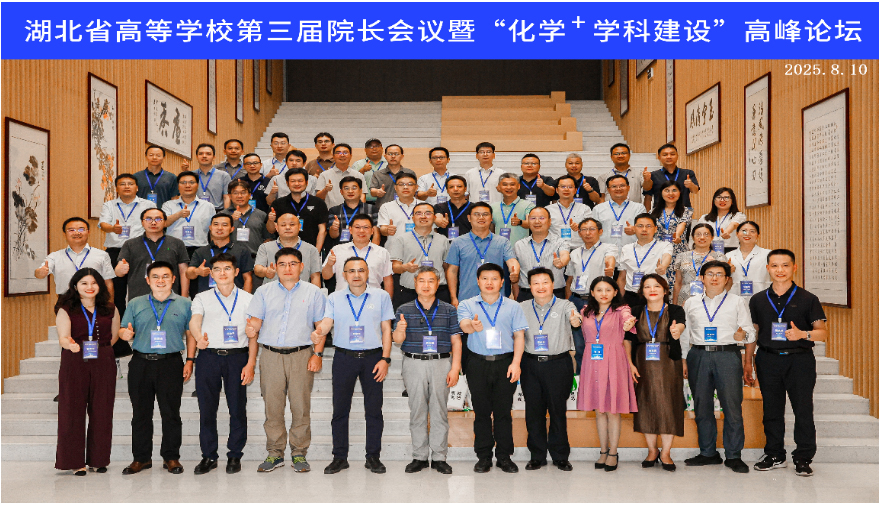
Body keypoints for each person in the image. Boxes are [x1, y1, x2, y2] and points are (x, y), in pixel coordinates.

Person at [245, 247, 328, 473]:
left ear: (302, 267)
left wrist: (317, 354)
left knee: (300, 406)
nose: (287, 268)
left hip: (301, 355)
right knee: (273, 406)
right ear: (275, 267)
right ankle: (275, 453)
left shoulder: (314, 293)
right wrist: (251, 329)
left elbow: (320, 327)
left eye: (293, 264)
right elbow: (255, 322)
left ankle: (299, 453)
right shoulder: (263, 292)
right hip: (271, 355)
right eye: (282, 264)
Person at [311, 256, 394, 475]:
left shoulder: (382, 296)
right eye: (351, 271)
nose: (356, 275)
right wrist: (319, 332)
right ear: (344, 275)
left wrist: (385, 359)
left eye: (361, 270)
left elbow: (386, 329)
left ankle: (373, 457)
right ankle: (339, 457)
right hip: (344, 358)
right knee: (340, 410)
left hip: (373, 358)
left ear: (368, 273)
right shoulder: (334, 298)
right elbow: (327, 323)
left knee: (374, 410)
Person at [749, 249, 827, 477]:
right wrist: (747, 361)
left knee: (803, 410)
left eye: (785, 265)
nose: (780, 270)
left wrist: (803, 334)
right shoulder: (757, 300)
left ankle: (803, 457)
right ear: (768, 269)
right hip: (767, 359)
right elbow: (754, 332)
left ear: (794, 268)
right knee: (771, 410)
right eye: (774, 266)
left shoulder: (808, 298)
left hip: (799, 360)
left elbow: (823, 333)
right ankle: (775, 454)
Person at [118, 260, 193, 475]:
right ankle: (141, 459)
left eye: (165, 276)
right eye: (155, 277)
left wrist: (190, 360)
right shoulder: (135, 303)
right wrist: (125, 334)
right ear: (147, 280)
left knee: (171, 413)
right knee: (140, 413)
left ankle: (171, 457)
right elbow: (122, 329)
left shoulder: (185, 304)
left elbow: (191, 334)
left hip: (171, 363)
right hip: (141, 363)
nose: (161, 281)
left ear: (173, 279)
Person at [682, 260, 755, 474]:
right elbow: (685, 335)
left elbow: (750, 331)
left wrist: (743, 336)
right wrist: (684, 360)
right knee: (702, 406)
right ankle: (708, 453)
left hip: (727, 355)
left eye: (720, 274)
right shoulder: (691, 302)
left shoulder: (737, 301)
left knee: (732, 406)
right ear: (701, 278)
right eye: (710, 274)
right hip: (698, 355)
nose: (714, 278)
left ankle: (734, 455)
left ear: (727, 279)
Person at [187, 253, 257, 475]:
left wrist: (251, 363)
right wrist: (199, 337)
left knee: (237, 408)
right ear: (211, 273)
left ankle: (235, 455)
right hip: (209, 357)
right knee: (207, 409)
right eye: (217, 269)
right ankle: (209, 456)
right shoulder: (202, 297)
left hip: (238, 358)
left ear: (236, 272)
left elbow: (253, 335)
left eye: (227, 268)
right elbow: (194, 321)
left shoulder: (249, 299)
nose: (222, 273)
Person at [457, 263, 529, 473]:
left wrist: (516, 363)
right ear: (478, 281)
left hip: (505, 363)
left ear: (502, 282)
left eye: (494, 278)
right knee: (481, 412)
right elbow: (464, 325)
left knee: (503, 412)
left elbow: (519, 336)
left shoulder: (513, 306)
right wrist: (472, 326)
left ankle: (504, 457)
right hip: (477, 363)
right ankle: (484, 456)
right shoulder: (467, 304)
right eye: (485, 278)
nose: (489, 283)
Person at [392, 267, 462, 474]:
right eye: (421, 281)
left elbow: (456, 341)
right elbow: (397, 340)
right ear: (415, 284)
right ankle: (419, 456)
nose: (426, 285)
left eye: (431, 281)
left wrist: (455, 368)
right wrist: (400, 330)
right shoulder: (404, 309)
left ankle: (439, 457)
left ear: (437, 284)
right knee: (417, 411)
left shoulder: (448, 310)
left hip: (441, 362)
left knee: (439, 410)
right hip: (413, 363)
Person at [54, 268, 119, 475]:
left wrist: (101, 350)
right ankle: (74, 461)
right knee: (72, 410)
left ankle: (99, 459)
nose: (89, 287)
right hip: (75, 360)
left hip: (104, 361)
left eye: (94, 283)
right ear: (75, 286)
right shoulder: (66, 308)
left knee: (103, 409)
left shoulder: (110, 308)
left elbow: (114, 337)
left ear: (100, 286)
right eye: (84, 283)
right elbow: (63, 336)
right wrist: (70, 344)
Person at [519, 267, 581, 471]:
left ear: (553, 284)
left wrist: (575, 320)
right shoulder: (521, 307)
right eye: (536, 283)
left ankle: (560, 456)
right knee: (533, 411)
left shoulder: (565, 305)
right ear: (529, 286)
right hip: (530, 364)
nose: (541, 287)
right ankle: (537, 455)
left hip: (558, 364)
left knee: (557, 411)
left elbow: (575, 318)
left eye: (545, 282)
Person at [625, 274, 686, 471]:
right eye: (647, 286)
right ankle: (652, 450)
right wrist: (629, 364)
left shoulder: (675, 310)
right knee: (645, 403)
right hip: (642, 362)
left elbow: (680, 325)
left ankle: (666, 452)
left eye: (656, 286)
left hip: (669, 362)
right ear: (641, 291)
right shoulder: (635, 311)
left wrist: (677, 331)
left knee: (669, 404)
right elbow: (627, 339)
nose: (652, 290)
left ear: (665, 290)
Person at [577, 276, 638, 472]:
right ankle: (603, 450)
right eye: (599, 290)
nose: (604, 294)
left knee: (612, 410)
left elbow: (628, 319)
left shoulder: (621, 310)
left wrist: (629, 323)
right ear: (592, 293)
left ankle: (613, 452)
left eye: (608, 290)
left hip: (614, 361)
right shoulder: (585, 312)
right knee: (599, 410)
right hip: (592, 361)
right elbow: (579, 326)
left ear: (615, 292)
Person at [99, 174, 157, 315]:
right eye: (122, 184)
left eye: (130, 184)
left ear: (137, 188)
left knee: (142, 287)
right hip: (115, 251)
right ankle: (120, 322)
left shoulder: (148, 205)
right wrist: (112, 228)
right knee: (117, 290)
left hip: (141, 250)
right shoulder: (109, 205)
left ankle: (142, 318)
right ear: (116, 188)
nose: (126, 186)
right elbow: (103, 224)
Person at [565, 218, 617, 371]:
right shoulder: (575, 253)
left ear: (600, 231)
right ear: (579, 232)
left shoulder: (608, 248)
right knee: (579, 344)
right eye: (584, 229)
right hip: (576, 300)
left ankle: (601, 375)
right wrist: (569, 301)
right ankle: (583, 376)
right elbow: (570, 279)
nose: (588, 233)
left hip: (598, 302)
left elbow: (610, 259)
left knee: (599, 342)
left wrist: (610, 267)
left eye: (592, 229)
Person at [445, 202, 520, 307]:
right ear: (469, 218)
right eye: (476, 214)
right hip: (467, 300)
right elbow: (452, 271)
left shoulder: (502, 242)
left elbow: (512, 261)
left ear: (491, 218)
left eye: (485, 214)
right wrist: (453, 298)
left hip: (496, 300)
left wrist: (515, 272)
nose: (481, 217)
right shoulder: (458, 242)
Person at [115, 209, 190, 300]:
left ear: (165, 222)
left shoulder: (177, 243)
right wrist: (120, 270)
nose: (153, 223)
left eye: (158, 219)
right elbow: (118, 272)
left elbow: (184, 271)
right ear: (142, 222)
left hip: (170, 298)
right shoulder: (130, 244)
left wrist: (184, 297)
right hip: (138, 298)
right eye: (148, 219)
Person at [388, 203, 452, 307]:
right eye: (418, 213)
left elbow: (447, 268)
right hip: (410, 293)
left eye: (428, 213)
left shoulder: (443, 240)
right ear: (413, 218)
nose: (423, 216)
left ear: (434, 217)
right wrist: (405, 267)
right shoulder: (401, 240)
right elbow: (395, 268)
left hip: (439, 292)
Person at [36, 217, 115, 301]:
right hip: (66, 302)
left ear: (88, 232)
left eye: (81, 229)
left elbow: (108, 282)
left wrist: (110, 305)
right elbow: (39, 273)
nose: (77, 233)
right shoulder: (55, 256)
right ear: (64, 234)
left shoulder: (102, 255)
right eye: (71, 230)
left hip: (95, 301)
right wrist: (40, 272)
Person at [323, 214, 394, 298]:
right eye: (357, 227)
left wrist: (388, 302)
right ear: (350, 230)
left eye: (366, 227)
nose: (361, 231)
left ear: (372, 231)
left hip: (373, 300)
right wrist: (329, 264)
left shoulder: (382, 252)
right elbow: (325, 276)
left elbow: (388, 280)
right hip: (344, 300)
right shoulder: (337, 250)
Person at [186, 214, 254, 296]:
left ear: (232, 229)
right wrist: (197, 271)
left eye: (224, 225)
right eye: (216, 224)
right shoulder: (200, 251)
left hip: (233, 297)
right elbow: (189, 274)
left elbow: (247, 278)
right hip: (207, 298)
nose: (219, 228)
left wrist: (245, 299)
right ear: (210, 227)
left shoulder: (242, 251)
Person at [616, 213, 673, 307]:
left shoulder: (664, 245)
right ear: (634, 228)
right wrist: (619, 301)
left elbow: (667, 257)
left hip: (655, 295)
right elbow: (622, 277)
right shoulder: (626, 248)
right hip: (631, 296)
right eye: (640, 226)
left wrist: (663, 266)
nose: (644, 229)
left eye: (648, 226)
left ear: (655, 229)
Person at [513, 207, 570, 301]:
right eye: (533, 218)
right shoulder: (519, 245)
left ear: (549, 221)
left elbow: (565, 255)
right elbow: (515, 274)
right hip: (527, 294)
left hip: (555, 294)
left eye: (542, 218)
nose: (537, 221)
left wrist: (562, 262)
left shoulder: (560, 242)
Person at [254, 213, 322, 287]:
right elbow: (257, 269)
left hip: (302, 293)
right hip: (272, 292)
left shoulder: (311, 249)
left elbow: (315, 276)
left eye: (292, 224)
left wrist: (316, 293)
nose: (288, 227)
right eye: (283, 225)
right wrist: (265, 271)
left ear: (299, 226)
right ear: (276, 227)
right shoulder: (265, 247)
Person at [270, 168, 329, 250]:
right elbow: (271, 230)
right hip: (284, 251)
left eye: (300, 181)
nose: (297, 184)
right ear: (287, 183)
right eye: (293, 181)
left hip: (310, 250)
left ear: (307, 182)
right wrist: (271, 220)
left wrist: (316, 252)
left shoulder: (318, 203)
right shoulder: (278, 203)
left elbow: (322, 230)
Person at [651, 180, 693, 290]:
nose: (671, 193)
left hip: (678, 250)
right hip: (659, 251)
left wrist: (677, 235)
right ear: (661, 193)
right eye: (667, 190)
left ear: (680, 193)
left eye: (674, 190)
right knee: (660, 281)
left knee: (678, 283)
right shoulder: (653, 211)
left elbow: (682, 224)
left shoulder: (686, 210)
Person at [672, 223, 727, 306]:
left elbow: (724, 282)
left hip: (710, 299)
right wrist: (675, 306)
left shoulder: (720, 257)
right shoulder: (682, 256)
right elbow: (678, 283)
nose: (702, 237)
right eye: (698, 234)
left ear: (712, 237)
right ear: (692, 237)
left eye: (706, 234)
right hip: (684, 300)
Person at [163, 171, 215, 255]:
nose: (187, 185)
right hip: (173, 248)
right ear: (178, 186)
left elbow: (213, 230)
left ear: (197, 185)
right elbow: (164, 223)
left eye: (191, 182)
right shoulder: (168, 205)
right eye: (183, 183)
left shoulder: (208, 206)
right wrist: (178, 215)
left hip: (200, 248)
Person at [592, 174, 646, 255]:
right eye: (614, 186)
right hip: (605, 254)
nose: (618, 189)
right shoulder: (598, 209)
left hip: (632, 254)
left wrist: (636, 229)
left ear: (628, 188)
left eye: (622, 186)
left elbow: (646, 229)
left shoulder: (639, 208)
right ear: (608, 190)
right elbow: (593, 232)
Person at [326, 176, 380, 254]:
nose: (350, 191)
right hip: (342, 252)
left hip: (365, 251)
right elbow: (333, 236)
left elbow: (376, 234)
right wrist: (334, 228)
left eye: (354, 188)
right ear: (341, 191)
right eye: (346, 188)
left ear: (360, 191)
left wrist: (372, 253)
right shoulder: (334, 211)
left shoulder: (371, 209)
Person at [642, 143, 700, 210]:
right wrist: (647, 214)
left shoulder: (687, 173)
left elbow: (695, 191)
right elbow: (648, 197)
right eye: (665, 155)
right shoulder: (653, 175)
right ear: (659, 157)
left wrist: (691, 185)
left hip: (683, 212)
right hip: (660, 212)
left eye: (672, 154)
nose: (669, 157)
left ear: (677, 156)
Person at [225, 180, 271, 258]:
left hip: (255, 258)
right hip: (229, 258)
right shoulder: (222, 215)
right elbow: (216, 237)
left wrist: (262, 256)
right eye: (235, 193)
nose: (239, 196)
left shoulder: (261, 214)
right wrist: (230, 220)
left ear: (249, 195)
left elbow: (268, 237)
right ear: (229, 196)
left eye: (243, 193)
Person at [726, 221, 772, 301]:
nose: (747, 234)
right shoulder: (728, 256)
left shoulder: (768, 254)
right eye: (744, 231)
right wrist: (727, 271)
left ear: (758, 235)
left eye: (752, 231)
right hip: (734, 298)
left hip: (762, 298)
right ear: (737, 234)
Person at [694, 187, 747, 254]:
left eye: (726, 198)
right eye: (719, 197)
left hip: (731, 251)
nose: (722, 200)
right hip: (708, 251)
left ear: (732, 201)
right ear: (714, 200)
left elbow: (734, 224)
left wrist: (727, 232)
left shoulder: (739, 215)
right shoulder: (704, 218)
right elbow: (696, 234)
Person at [314, 144, 367, 209]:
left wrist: (358, 210)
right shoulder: (324, 175)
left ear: (350, 156)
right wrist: (325, 190)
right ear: (333, 156)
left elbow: (363, 196)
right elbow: (318, 197)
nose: (342, 155)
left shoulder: (358, 175)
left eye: (345, 152)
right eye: (338, 153)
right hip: (331, 212)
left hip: (354, 212)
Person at [548, 175, 593, 250]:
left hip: (579, 250)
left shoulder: (585, 209)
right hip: (556, 250)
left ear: (575, 190)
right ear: (557, 190)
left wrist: (581, 227)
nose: (566, 189)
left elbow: (591, 229)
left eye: (570, 187)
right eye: (563, 187)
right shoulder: (548, 210)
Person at [183, 143, 231, 211]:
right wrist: (185, 173)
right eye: (201, 154)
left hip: (217, 211)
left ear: (214, 157)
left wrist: (226, 214)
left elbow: (226, 197)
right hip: (195, 211)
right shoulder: (191, 175)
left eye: (208, 154)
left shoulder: (223, 175)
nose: (204, 156)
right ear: (196, 156)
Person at [377, 173, 424, 241]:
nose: (405, 187)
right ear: (395, 187)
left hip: (420, 246)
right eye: (401, 184)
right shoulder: (386, 207)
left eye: (410, 184)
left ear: (416, 187)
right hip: (395, 246)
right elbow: (383, 229)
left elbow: (432, 229)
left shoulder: (425, 206)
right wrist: (387, 230)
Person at [491, 173, 534, 245]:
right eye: (505, 185)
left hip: (520, 249)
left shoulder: (528, 205)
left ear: (519, 186)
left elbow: (531, 224)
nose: (509, 187)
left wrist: (520, 222)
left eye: (512, 184)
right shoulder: (493, 207)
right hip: (499, 248)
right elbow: (491, 229)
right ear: (499, 187)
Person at [351, 138, 387, 205]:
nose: (374, 149)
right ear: (365, 150)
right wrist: (362, 170)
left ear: (382, 148)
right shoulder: (358, 164)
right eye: (370, 146)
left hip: (386, 202)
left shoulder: (388, 164)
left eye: (377, 146)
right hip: (364, 202)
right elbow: (351, 182)